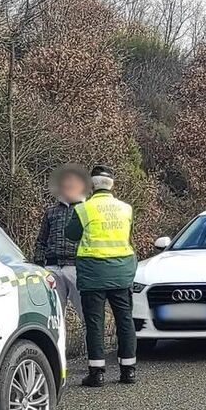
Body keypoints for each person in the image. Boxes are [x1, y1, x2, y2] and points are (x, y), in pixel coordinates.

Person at [65, 165, 138, 386]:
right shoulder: (126, 209)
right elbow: (128, 234)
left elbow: (71, 235)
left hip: (93, 273)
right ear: (112, 184)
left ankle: (97, 373)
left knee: (94, 322)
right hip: (121, 271)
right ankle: (128, 370)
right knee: (124, 320)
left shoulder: (84, 209)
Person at [33, 165, 88, 322]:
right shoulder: (51, 212)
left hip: (77, 267)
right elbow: (41, 239)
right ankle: (58, 346)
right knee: (54, 317)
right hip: (52, 268)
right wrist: (39, 264)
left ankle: (91, 347)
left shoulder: (87, 210)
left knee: (87, 315)